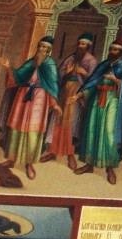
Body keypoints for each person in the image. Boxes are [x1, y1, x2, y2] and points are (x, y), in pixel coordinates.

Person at [72, 37, 122, 185]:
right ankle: (89, 164)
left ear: (120, 52)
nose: (112, 51)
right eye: (111, 49)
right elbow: (92, 83)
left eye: (116, 50)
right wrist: (78, 95)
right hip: (97, 98)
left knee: (108, 132)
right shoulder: (103, 65)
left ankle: (110, 168)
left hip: (112, 101)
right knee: (91, 129)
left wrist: (115, 79)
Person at [0, 36, 61, 180]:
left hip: (40, 98)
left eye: (45, 47)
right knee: (17, 127)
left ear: (49, 50)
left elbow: (52, 85)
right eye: (41, 46)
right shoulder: (31, 61)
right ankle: (11, 159)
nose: (42, 49)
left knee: (33, 130)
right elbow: (18, 76)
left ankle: (29, 164)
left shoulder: (50, 64)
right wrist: (7, 67)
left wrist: (54, 103)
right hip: (23, 95)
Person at [41, 33, 97, 170]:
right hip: (64, 93)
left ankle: (70, 155)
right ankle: (53, 151)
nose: (80, 46)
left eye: (83, 44)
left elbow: (94, 80)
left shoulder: (91, 61)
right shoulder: (71, 58)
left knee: (71, 124)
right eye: (79, 43)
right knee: (57, 121)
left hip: (77, 95)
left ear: (88, 46)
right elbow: (59, 74)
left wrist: (84, 73)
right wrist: (66, 72)